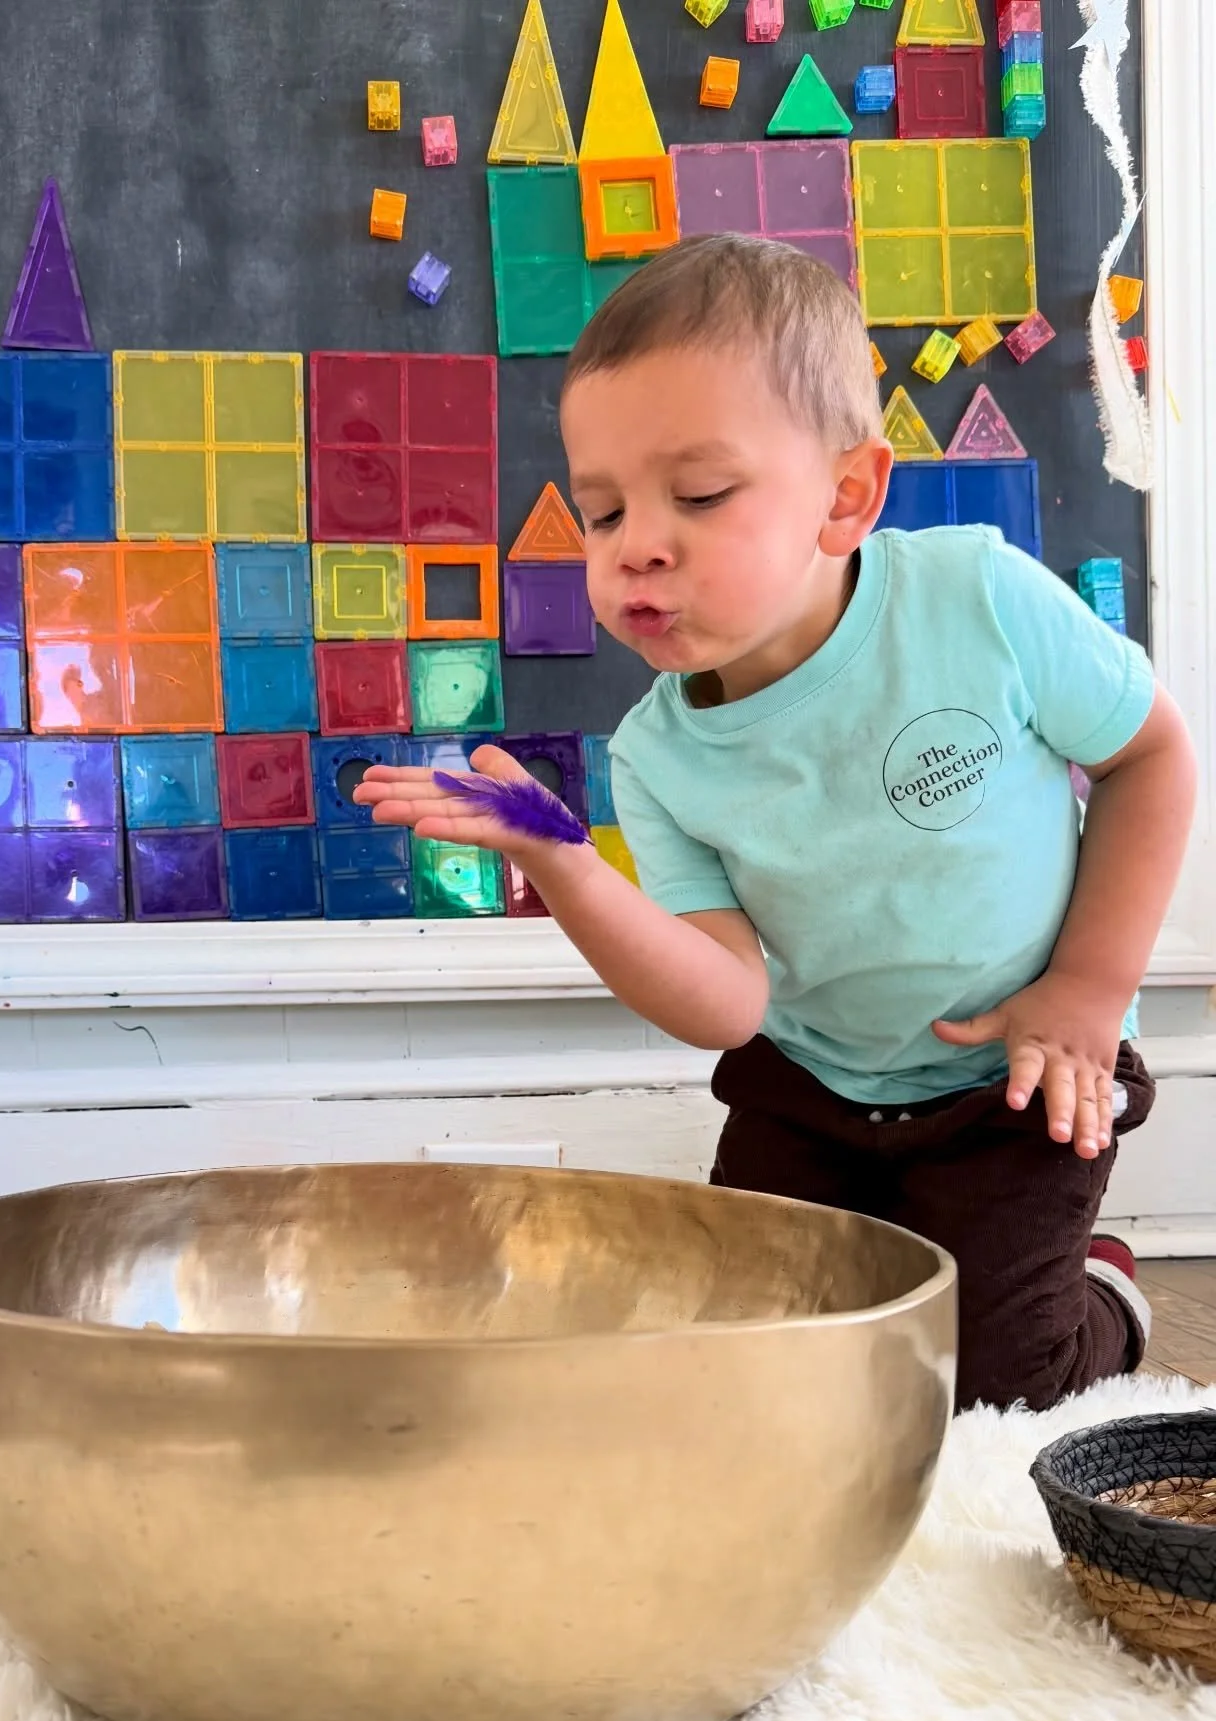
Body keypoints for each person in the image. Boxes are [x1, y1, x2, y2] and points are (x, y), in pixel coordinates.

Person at [354, 234, 1198, 1412]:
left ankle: (1101, 1293)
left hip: (1017, 1073)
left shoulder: (977, 598)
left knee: (990, 1387)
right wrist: (563, 864)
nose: (635, 543)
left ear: (846, 496)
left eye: (697, 495)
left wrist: (1090, 992)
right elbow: (727, 1000)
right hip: (812, 1090)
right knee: (744, 1362)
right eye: (601, 514)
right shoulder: (656, 753)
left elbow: (1151, 755)